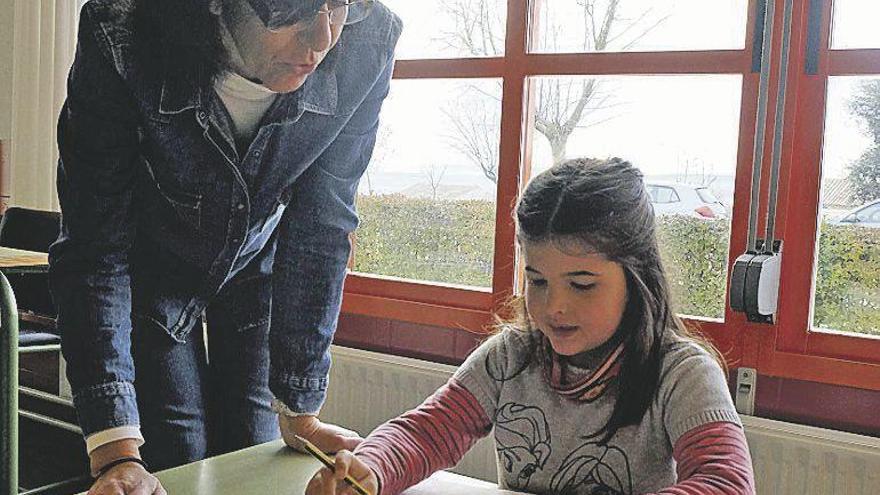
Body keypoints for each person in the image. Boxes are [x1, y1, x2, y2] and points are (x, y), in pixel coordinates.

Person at [49, 0, 401, 493]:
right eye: (294, 12)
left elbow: (322, 226)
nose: (323, 39)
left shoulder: (368, 41)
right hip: (150, 272)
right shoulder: (120, 35)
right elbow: (95, 245)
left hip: (257, 264)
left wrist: (299, 408)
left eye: (338, 5)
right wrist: (115, 454)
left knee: (255, 458)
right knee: (176, 460)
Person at [306, 158, 756, 495]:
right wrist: (371, 466)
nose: (553, 306)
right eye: (536, 280)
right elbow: (428, 432)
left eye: (582, 285)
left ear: (637, 278)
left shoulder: (682, 372)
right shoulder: (511, 356)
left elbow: (726, 483)